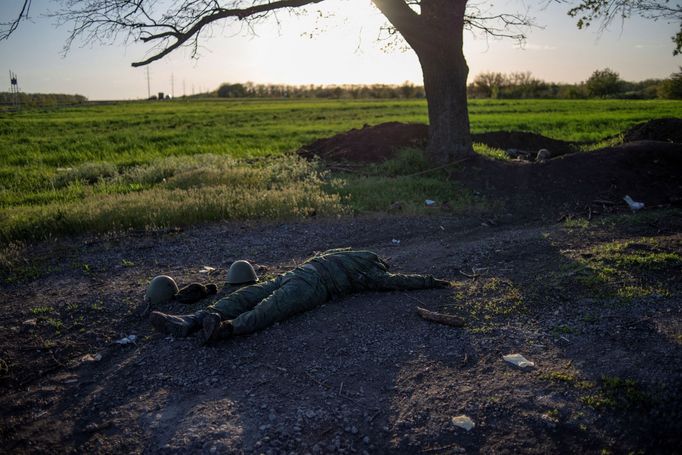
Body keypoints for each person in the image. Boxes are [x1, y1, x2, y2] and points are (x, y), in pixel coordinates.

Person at [150, 248, 450, 344]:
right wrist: (430, 281)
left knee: (255, 295)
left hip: (301, 274)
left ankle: (203, 320)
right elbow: (397, 282)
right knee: (270, 306)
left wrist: (427, 280)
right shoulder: (371, 269)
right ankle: (218, 325)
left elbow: (394, 280)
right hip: (311, 283)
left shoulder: (351, 254)